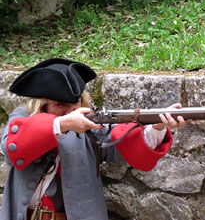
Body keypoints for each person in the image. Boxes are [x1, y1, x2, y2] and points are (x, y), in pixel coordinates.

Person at [0, 58, 188, 220]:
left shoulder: (89, 124)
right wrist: (61, 125)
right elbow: (13, 147)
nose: (72, 110)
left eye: (76, 102)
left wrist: (157, 126)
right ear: (41, 106)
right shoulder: (23, 118)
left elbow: (122, 142)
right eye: (60, 105)